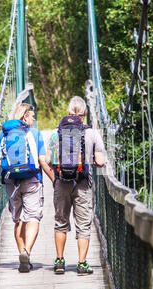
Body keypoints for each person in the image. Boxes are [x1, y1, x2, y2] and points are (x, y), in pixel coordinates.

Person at [0, 103, 54, 273]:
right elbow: (42, 160)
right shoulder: (34, 133)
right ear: (25, 116)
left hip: (12, 183)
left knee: (18, 220)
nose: (34, 119)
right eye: (32, 116)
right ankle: (27, 252)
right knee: (33, 217)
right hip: (32, 180)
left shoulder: (4, 134)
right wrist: (54, 179)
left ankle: (21, 256)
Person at [46, 96, 105, 276]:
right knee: (83, 225)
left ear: (68, 112)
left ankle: (59, 262)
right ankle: (81, 264)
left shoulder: (57, 133)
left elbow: (48, 160)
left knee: (60, 222)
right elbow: (101, 162)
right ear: (85, 114)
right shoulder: (92, 133)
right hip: (83, 184)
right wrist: (93, 160)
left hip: (62, 183)